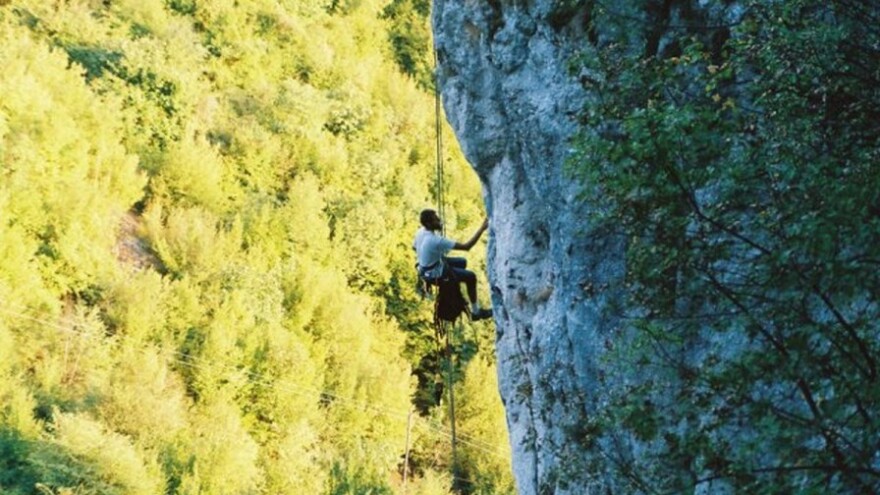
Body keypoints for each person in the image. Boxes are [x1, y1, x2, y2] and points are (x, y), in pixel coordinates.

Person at [413, 209, 493, 321]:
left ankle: (456, 279)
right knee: (471, 277)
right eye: (436, 219)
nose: (439, 220)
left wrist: (429, 256)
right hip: (435, 274)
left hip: (426, 268)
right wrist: (482, 228)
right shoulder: (435, 240)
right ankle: (476, 312)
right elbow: (467, 246)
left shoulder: (420, 232)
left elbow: (414, 247)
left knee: (462, 262)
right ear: (429, 224)